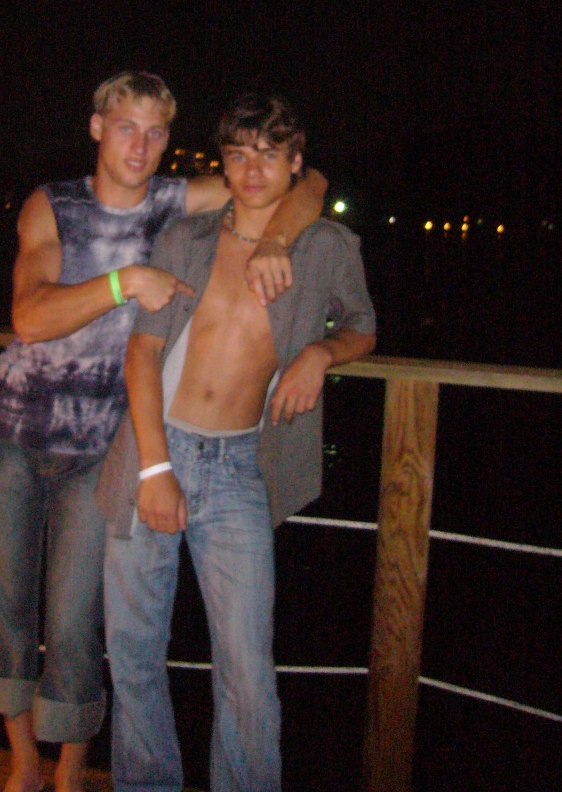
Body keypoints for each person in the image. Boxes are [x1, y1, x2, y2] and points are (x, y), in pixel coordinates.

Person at [0, 72, 327, 792]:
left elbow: (306, 179)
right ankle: (23, 763)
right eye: (126, 126)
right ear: (97, 127)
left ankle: (72, 770)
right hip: (13, 429)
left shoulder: (174, 200)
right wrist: (126, 281)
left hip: (104, 444)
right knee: (6, 608)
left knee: (76, 621)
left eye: (156, 131)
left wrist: (278, 240)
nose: (140, 144)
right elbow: (29, 317)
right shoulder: (54, 204)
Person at [97, 92, 376, 792]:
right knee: (132, 651)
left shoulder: (326, 246)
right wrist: (155, 468)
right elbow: (141, 354)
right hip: (153, 450)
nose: (252, 171)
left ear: (295, 162)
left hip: (236, 468)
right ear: (222, 162)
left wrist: (320, 353)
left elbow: (363, 326)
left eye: (270, 155)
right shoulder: (185, 236)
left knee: (248, 671)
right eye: (238, 154)